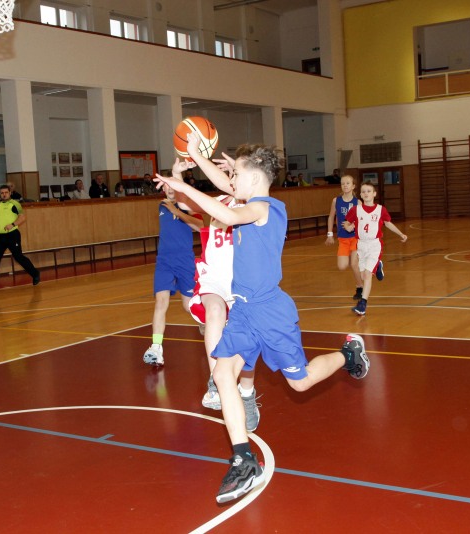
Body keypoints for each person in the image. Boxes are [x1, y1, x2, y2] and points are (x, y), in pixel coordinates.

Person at [155, 133, 370, 504]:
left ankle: (348, 354)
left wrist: (181, 187)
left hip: (270, 312)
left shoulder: (264, 208)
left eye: (236, 175)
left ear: (254, 179)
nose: (230, 180)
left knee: (300, 383)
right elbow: (229, 190)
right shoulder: (251, 196)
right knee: (222, 374)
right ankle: (243, 459)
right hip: (243, 311)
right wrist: (197, 157)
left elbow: (226, 213)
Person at [185, 148, 259, 433]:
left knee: (246, 345)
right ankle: (215, 380)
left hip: (242, 282)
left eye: (237, 174)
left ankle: (247, 393)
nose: (231, 179)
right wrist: (178, 178)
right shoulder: (216, 202)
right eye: (231, 174)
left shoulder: (254, 206)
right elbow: (185, 201)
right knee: (214, 312)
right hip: (215, 277)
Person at [142, 160, 204, 366]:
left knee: (188, 306)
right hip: (164, 261)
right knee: (161, 302)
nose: (169, 189)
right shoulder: (162, 205)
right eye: (166, 186)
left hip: (185, 261)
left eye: (173, 185)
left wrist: (178, 211)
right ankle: (156, 347)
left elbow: (200, 226)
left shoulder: (187, 205)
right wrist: (171, 208)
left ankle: (207, 323)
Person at [343, 181, 408, 315]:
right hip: (361, 245)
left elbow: (388, 223)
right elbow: (347, 223)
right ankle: (378, 265)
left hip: (374, 245)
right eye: (363, 191)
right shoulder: (356, 210)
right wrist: (348, 227)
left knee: (367, 274)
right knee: (363, 275)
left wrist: (401, 234)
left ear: (374, 194)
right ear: (360, 195)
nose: (366, 193)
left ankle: (362, 304)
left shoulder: (380, 210)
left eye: (369, 191)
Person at [0, 185, 41, 292]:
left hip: (12, 235)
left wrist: (12, 224)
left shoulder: (15, 204)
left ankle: (35, 273)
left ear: (10, 193)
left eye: (6, 192)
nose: (4, 194)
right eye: (2, 193)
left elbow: (22, 217)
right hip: (0, 236)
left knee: (18, 257)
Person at [325, 174, 363, 300]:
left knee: (354, 264)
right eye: (343, 183)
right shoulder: (336, 201)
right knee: (342, 266)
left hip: (355, 238)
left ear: (353, 186)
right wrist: (330, 234)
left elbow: (362, 220)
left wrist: (353, 226)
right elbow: (331, 217)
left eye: (348, 183)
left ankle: (360, 287)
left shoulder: (357, 202)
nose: (345, 185)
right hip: (343, 239)